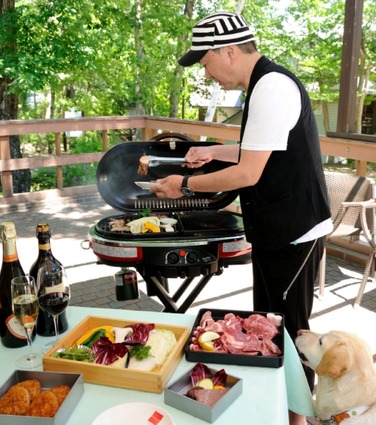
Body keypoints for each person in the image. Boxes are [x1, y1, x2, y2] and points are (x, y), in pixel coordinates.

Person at [151, 12, 332, 424]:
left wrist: (182, 184)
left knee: (290, 333)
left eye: (204, 61)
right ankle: (276, 411)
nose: (205, 71)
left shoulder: (271, 87)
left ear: (227, 51)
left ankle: (297, 419)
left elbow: (249, 173)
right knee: (267, 326)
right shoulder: (263, 85)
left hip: (295, 231)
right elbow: (259, 152)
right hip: (276, 230)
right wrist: (211, 151)